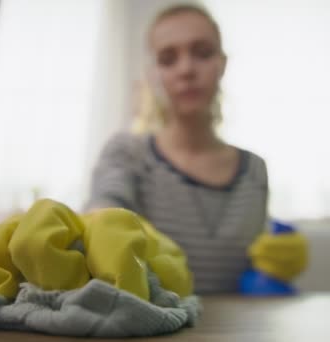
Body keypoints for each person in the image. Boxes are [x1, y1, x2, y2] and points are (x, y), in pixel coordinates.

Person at [85, 4, 307, 293]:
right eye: (168, 59)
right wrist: (96, 226)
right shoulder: (127, 152)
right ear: (154, 74)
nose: (187, 69)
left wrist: (278, 265)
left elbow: (252, 269)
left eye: (202, 53)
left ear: (222, 63)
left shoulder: (254, 169)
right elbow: (102, 210)